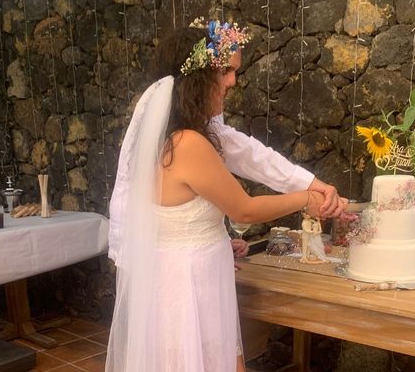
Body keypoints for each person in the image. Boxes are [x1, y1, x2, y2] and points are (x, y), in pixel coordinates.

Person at [105, 22, 344, 372]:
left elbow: (179, 213)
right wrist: (304, 199)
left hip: (187, 271)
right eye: (226, 72)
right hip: (189, 285)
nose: (233, 82)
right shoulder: (188, 143)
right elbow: (244, 209)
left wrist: (216, 238)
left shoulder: (168, 138)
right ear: (199, 77)